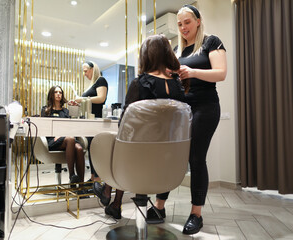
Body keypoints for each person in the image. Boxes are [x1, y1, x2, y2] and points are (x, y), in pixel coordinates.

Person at [146, 5, 227, 235]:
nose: (183, 28)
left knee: (196, 157)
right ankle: (160, 207)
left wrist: (191, 72)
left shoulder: (212, 42)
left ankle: (196, 214)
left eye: (187, 22)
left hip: (206, 107)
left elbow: (221, 73)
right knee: (170, 157)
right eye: (180, 24)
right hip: (182, 109)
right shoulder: (177, 50)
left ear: (198, 21)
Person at [93, 34, 186, 220]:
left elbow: (125, 125)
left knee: (121, 142)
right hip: (169, 161)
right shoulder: (178, 85)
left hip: (137, 161)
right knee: (131, 145)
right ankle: (114, 202)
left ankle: (108, 191)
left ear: (146, 55)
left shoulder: (140, 83)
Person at [70, 61, 108, 183]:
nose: (84, 73)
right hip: (88, 121)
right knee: (91, 148)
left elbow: (101, 98)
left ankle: (97, 178)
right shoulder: (92, 85)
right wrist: (79, 103)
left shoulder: (101, 80)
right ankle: (93, 177)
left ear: (93, 69)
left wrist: (83, 99)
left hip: (96, 121)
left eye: (86, 70)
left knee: (94, 149)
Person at [41, 86, 85, 185]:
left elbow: (70, 126)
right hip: (52, 140)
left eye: (60, 92)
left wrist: (76, 107)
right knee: (70, 139)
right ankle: (72, 175)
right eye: (56, 92)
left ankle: (81, 186)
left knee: (78, 148)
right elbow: (44, 127)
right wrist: (55, 134)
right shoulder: (46, 110)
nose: (58, 94)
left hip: (66, 138)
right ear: (51, 94)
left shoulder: (66, 111)